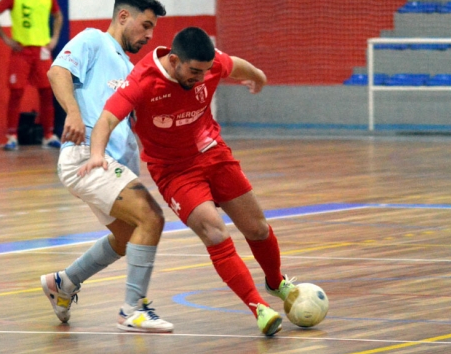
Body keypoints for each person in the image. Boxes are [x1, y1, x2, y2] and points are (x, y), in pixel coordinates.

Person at [79, 27, 295, 336]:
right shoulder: (142, 82)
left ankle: (276, 281)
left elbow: (234, 63)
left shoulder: (209, 66)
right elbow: (107, 119)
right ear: (175, 60)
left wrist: (257, 75)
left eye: (206, 71)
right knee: (215, 232)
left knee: (257, 228)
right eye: (194, 72)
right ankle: (258, 307)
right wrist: (97, 154)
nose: (201, 78)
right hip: (174, 171)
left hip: (213, 153)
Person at [40, 0, 172, 333]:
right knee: (151, 218)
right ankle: (133, 308)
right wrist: (71, 112)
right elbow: (57, 71)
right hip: (86, 157)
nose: (148, 35)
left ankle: (63, 283)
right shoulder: (93, 40)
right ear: (123, 16)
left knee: (128, 236)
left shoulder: (128, 67)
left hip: (112, 164)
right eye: (145, 26)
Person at [0, 0, 63, 151]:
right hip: (21, 51)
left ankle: (48, 135)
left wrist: (54, 38)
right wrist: (6, 39)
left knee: (47, 92)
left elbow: (58, 15)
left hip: (42, 51)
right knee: (16, 92)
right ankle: (11, 136)